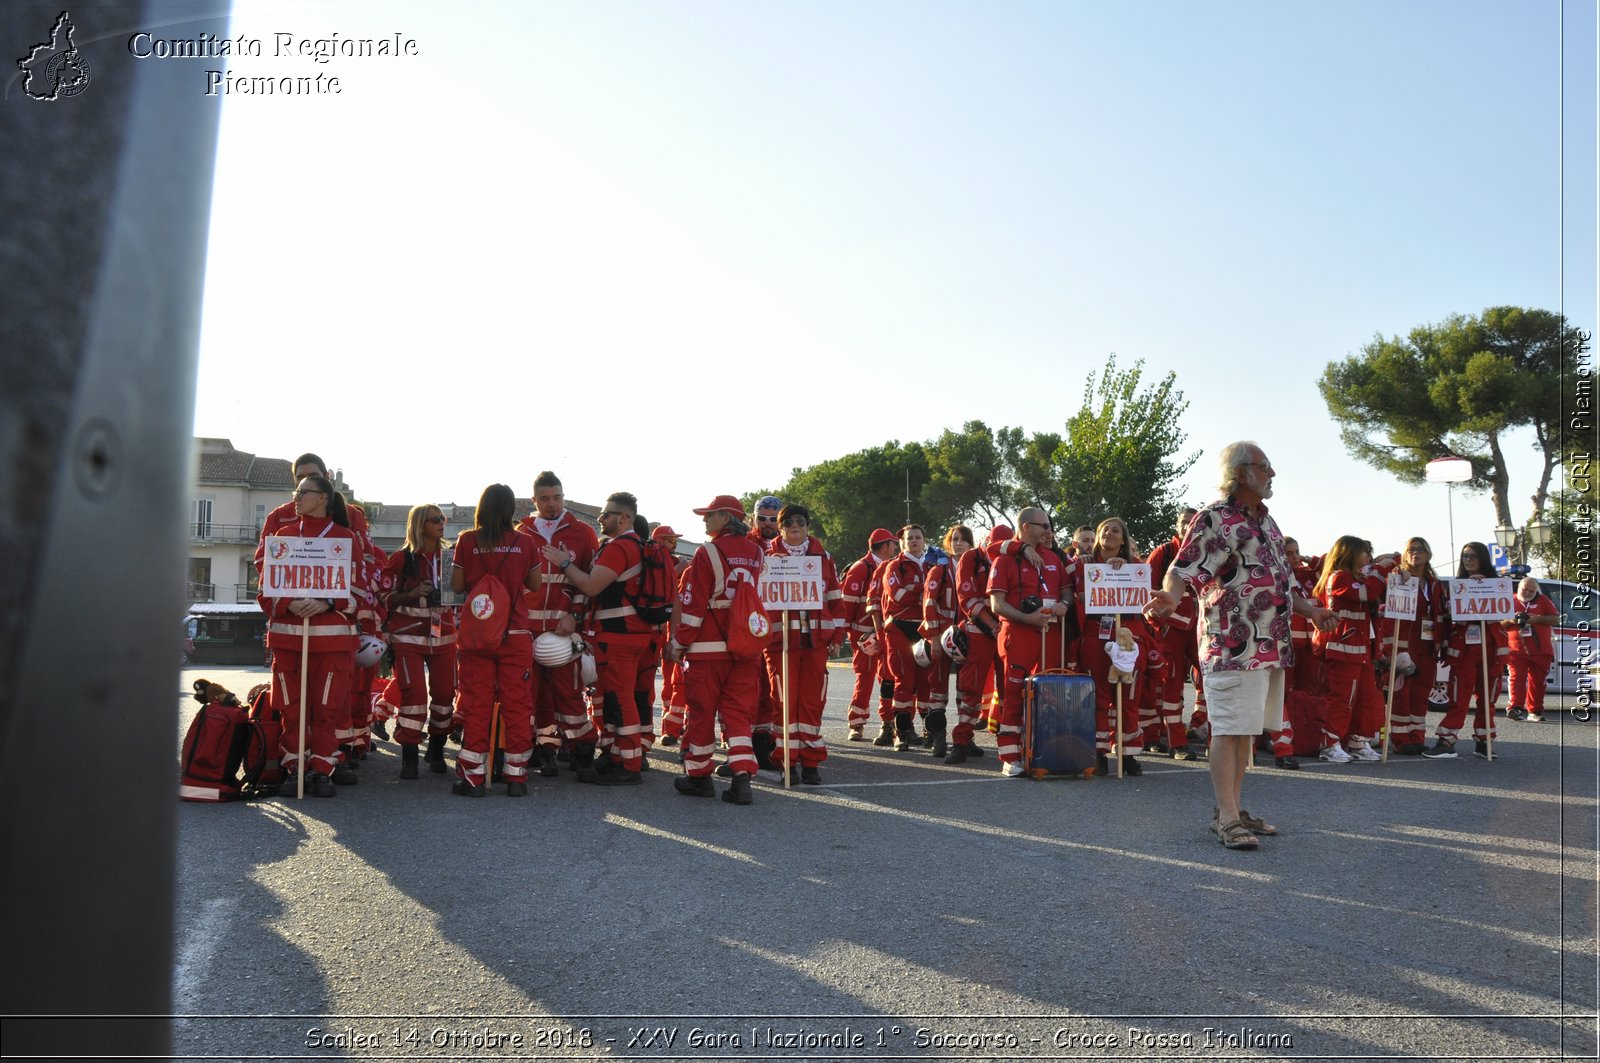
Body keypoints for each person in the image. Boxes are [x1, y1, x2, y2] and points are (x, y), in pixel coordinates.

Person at [1146, 442, 1335, 850]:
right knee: (1228, 730)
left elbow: (1282, 583)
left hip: (1268, 646)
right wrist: (1169, 595)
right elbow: (1185, 567)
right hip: (1231, 643)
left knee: (1245, 732)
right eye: (1265, 466)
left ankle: (1230, 807)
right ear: (1241, 472)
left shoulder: (1267, 524)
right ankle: (1228, 817)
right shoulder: (1214, 518)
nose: (1272, 474)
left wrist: (1312, 612)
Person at [254, 474, 365, 797]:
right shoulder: (283, 536)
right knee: (291, 708)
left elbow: (359, 591)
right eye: (296, 492)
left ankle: (322, 770)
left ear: (323, 498)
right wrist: (291, 603)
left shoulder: (344, 539)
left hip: (332, 643)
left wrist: (326, 602)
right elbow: (265, 592)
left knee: (327, 708)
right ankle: (295, 769)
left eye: (303, 492)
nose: (296, 498)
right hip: (288, 640)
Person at [542, 491, 658, 787]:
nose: (601, 519)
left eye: (606, 514)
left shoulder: (620, 547)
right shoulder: (629, 545)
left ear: (624, 518)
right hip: (626, 634)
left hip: (619, 636)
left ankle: (629, 764)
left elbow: (592, 586)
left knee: (621, 699)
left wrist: (564, 563)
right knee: (615, 699)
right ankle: (617, 755)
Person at [668, 495, 765, 805]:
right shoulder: (757, 552)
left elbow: (693, 605)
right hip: (745, 645)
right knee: (738, 712)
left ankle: (699, 777)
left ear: (726, 517)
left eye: (710, 515)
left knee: (702, 711)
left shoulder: (707, 552)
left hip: (708, 648)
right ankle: (741, 779)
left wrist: (679, 642)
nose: (704, 520)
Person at [450, 484, 542, 797]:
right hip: (515, 634)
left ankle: (474, 776)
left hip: (478, 634)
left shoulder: (467, 540)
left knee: (477, 703)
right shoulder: (526, 542)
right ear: (509, 511)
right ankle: (516, 776)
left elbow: (458, 585)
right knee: (517, 703)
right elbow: (535, 584)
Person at [517, 471, 603, 780]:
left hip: (563, 629)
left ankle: (583, 749)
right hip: (527, 630)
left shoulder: (583, 533)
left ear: (563, 497)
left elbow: (590, 582)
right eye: (545, 499)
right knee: (533, 694)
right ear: (534, 500)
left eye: (557, 498)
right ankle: (546, 748)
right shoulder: (522, 532)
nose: (552, 505)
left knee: (568, 692)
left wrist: (575, 616)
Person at [987, 508, 1073, 777]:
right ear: (1026, 527)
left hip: (1051, 634)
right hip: (1019, 633)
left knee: (1049, 697)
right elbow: (996, 604)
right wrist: (1027, 617)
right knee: (1013, 695)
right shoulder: (1004, 561)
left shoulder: (1053, 558)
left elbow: (1067, 593)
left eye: (1049, 525)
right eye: (1043, 525)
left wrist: (1063, 605)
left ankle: (1042, 751)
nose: (1049, 530)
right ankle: (1010, 756)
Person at [763, 504, 844, 783]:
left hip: (816, 642)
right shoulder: (766, 558)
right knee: (784, 701)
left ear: (807, 526)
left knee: (812, 702)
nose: (794, 526)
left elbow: (835, 600)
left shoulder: (824, 557)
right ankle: (787, 761)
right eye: (787, 522)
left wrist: (837, 637)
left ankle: (810, 762)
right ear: (780, 527)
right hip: (780, 642)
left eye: (800, 521)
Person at [379, 504, 458, 778]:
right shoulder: (401, 559)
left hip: (444, 636)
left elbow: (461, 595)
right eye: (436, 519)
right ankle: (409, 757)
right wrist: (412, 593)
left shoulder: (450, 558)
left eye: (443, 518)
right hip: (408, 636)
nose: (442, 523)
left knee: (445, 696)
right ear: (420, 524)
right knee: (413, 696)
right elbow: (383, 598)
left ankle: (436, 748)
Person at [1074, 517, 1151, 776]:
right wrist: (1104, 573)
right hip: (1097, 631)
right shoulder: (1083, 564)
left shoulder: (1136, 567)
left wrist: (1124, 569)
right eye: (1104, 529)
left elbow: (1144, 598)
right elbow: (1076, 592)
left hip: (1128, 632)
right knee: (1098, 693)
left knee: (1128, 693)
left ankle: (1127, 753)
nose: (1109, 533)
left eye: (1115, 530)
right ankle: (1098, 752)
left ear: (1124, 539)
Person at [1425, 541, 1509, 759]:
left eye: (1472, 555)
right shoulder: (1456, 586)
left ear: (1482, 558)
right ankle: (1446, 741)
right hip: (1464, 648)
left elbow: (1504, 613)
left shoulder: (1497, 584)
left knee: (1488, 699)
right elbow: (1449, 615)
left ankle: (1484, 742)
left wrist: (1484, 587)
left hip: (1491, 649)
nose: (1468, 560)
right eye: (1465, 556)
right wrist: (1469, 588)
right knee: (1459, 697)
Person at [1310, 536, 1386, 763]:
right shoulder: (1338, 577)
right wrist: (1381, 568)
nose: (1368, 558)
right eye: (1364, 552)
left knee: (1366, 698)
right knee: (1342, 699)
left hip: (1361, 650)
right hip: (1342, 648)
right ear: (1350, 553)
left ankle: (1357, 741)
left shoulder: (1358, 578)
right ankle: (1329, 744)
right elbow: (1366, 594)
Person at [871, 525, 938, 751]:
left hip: (925, 630)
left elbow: (939, 596)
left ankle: (930, 732)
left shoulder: (933, 564)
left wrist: (917, 590)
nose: (914, 541)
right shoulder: (893, 566)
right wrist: (924, 590)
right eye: (909, 538)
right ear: (902, 543)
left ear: (924, 540)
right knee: (903, 683)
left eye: (918, 537)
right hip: (899, 629)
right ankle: (902, 733)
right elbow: (898, 596)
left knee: (925, 684)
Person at [946, 524, 1009, 763]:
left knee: (1010, 689)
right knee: (970, 689)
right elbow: (967, 597)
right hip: (979, 631)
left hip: (1007, 628)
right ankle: (961, 741)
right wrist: (991, 624)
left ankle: (1011, 741)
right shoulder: (971, 558)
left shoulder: (1012, 556)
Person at [1380, 537, 1449, 753]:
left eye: (1420, 549)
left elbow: (1443, 615)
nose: (1415, 553)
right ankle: (1401, 739)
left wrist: (1443, 644)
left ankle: (1417, 736)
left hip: (1428, 646)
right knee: (1402, 692)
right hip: (1405, 644)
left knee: (1421, 693)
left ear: (1428, 554)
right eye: (1411, 549)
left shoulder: (1434, 583)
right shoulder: (1397, 578)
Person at [840, 529, 899, 742]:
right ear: (884, 547)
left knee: (889, 677)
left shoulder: (891, 566)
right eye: (893, 544)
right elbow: (847, 604)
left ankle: (892, 723)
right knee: (865, 677)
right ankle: (856, 724)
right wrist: (847, 634)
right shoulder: (860, 568)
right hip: (864, 635)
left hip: (887, 633)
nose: (895, 548)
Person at [918, 525, 971, 760]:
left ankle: (965, 739)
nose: (959, 543)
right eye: (955, 539)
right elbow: (928, 603)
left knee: (967, 688)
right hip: (941, 636)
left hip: (967, 637)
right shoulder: (940, 569)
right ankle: (938, 738)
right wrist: (935, 638)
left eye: (963, 539)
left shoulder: (975, 567)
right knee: (937, 688)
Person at [1504, 577, 1559, 722]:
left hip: (1541, 650)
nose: (1528, 592)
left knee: (1538, 681)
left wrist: (1537, 619)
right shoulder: (1510, 601)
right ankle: (1515, 708)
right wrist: (1511, 620)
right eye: (1525, 589)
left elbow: (1555, 619)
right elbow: (1499, 623)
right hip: (1516, 649)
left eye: (1531, 591)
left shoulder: (1543, 601)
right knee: (1516, 679)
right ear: (1518, 588)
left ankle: (1534, 711)